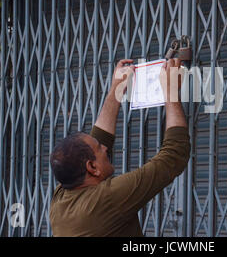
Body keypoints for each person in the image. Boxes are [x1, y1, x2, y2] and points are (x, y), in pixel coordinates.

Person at [49, 58, 190, 236]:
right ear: (91, 167)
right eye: (100, 149)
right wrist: (170, 92)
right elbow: (174, 156)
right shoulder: (107, 200)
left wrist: (117, 88)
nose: (106, 148)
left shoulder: (61, 198)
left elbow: (96, 142)